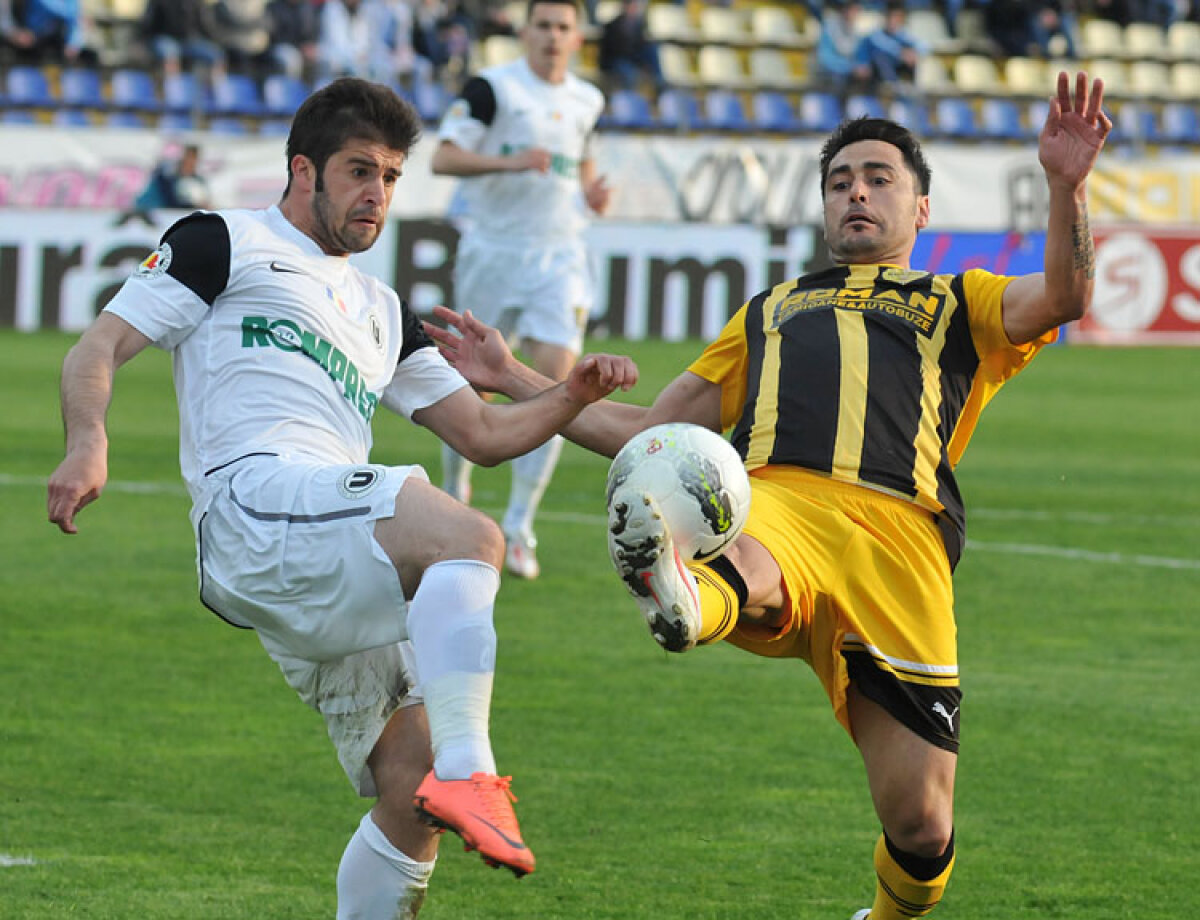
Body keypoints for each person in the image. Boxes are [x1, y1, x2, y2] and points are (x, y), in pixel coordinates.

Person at [426, 71, 1111, 920]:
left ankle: (886, 913)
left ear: (922, 211)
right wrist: (516, 377)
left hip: (904, 545)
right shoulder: (770, 311)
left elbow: (1068, 294)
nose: (855, 191)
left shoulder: (957, 301)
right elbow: (651, 429)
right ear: (824, 209)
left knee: (923, 826)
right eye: (839, 182)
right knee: (741, 540)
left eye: (877, 178)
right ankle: (681, 589)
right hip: (779, 506)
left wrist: (1066, 185)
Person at [47, 77, 636, 918]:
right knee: (466, 536)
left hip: (317, 547)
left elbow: (487, 437)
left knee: (413, 783)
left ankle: (449, 779)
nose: (377, 195)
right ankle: (479, 775)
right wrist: (88, 442)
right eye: (360, 170)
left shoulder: (381, 309)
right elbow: (99, 343)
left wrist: (567, 391)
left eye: (392, 177)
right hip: (251, 504)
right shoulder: (224, 240)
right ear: (303, 171)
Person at [431, 0, 611, 579]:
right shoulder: (492, 88)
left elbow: (581, 161)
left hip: (561, 254)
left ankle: (519, 526)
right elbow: (443, 157)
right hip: (495, 249)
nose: (553, 37)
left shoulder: (588, 99)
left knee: (560, 389)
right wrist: (508, 165)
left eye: (563, 27)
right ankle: (453, 498)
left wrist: (591, 194)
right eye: (543, 26)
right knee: (471, 387)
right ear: (525, 31)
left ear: (577, 36)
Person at [597, 0, 666, 95]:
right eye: (631, 5)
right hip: (616, 61)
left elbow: (641, 48)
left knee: (652, 49)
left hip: (632, 59)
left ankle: (660, 84)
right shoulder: (612, 26)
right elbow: (611, 53)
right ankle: (630, 98)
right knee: (628, 71)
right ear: (625, 6)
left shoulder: (639, 25)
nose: (634, 9)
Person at [858, 1, 927, 94]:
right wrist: (901, 53)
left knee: (914, 57)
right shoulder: (875, 35)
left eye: (897, 17)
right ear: (885, 17)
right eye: (890, 17)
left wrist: (913, 53)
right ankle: (891, 86)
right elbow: (882, 45)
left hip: (898, 72)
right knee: (879, 54)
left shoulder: (903, 35)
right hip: (875, 77)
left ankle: (907, 87)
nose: (893, 21)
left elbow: (924, 47)